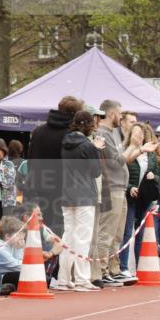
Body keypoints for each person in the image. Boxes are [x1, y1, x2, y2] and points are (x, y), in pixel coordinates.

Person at [55, 110, 105, 292]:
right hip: (84, 194)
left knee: (68, 236)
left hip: (67, 194)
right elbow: (96, 172)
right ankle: (82, 279)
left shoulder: (65, 143)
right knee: (82, 237)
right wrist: (97, 150)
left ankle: (63, 278)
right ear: (88, 126)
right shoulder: (88, 146)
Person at [24, 96, 83, 233]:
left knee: (39, 231)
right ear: (75, 115)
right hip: (63, 192)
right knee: (60, 233)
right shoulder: (72, 135)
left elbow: (30, 161)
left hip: (38, 189)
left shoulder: (38, 132)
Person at [94, 100, 130, 287]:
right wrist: (135, 147)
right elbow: (115, 162)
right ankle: (101, 269)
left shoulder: (114, 133)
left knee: (117, 233)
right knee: (107, 231)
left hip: (120, 187)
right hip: (111, 187)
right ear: (110, 114)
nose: (121, 116)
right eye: (119, 112)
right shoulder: (102, 134)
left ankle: (113, 268)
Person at [121, 122, 160, 273]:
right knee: (126, 233)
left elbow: (159, 174)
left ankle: (141, 266)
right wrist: (129, 187)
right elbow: (119, 174)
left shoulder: (150, 153)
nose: (139, 136)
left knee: (142, 233)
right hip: (129, 198)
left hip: (145, 198)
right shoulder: (125, 151)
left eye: (141, 133)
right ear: (130, 135)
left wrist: (154, 177)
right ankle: (123, 267)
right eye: (136, 133)